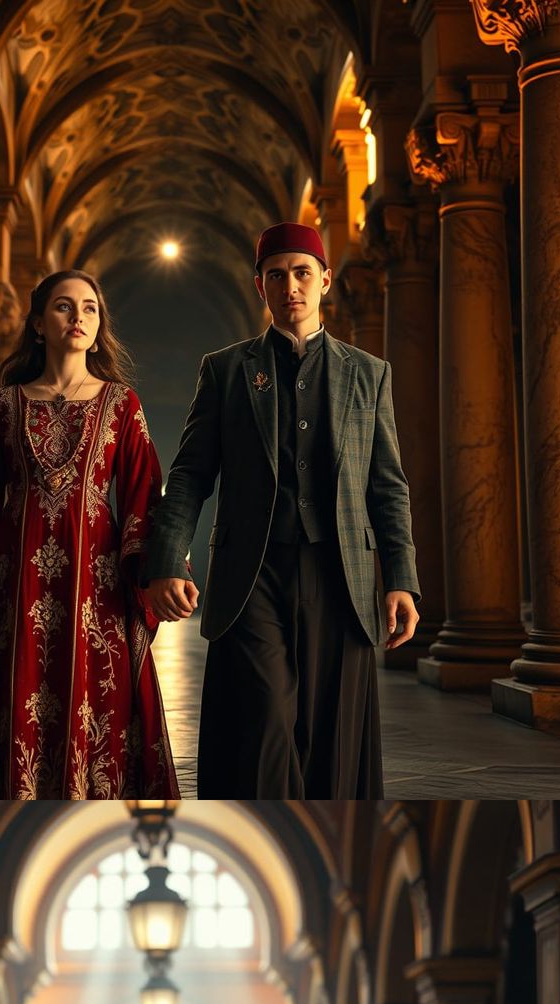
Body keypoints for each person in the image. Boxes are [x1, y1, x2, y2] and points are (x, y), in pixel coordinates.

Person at [140, 223, 420, 799]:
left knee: (329, 738)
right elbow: (190, 474)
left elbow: (387, 486)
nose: (290, 285)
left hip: (342, 574)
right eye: (276, 275)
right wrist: (167, 559)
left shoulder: (369, 374)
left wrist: (401, 577)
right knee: (263, 724)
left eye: (301, 273)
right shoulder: (225, 370)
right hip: (253, 574)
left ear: (325, 280)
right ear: (259, 286)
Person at [0, 268, 177, 798]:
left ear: (99, 326)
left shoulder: (121, 404)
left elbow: (143, 497)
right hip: (14, 584)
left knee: (95, 700)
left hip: (96, 587)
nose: (78, 317)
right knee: (14, 693)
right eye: (64, 306)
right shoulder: (5, 405)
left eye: (89, 308)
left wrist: (161, 572)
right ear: (39, 323)